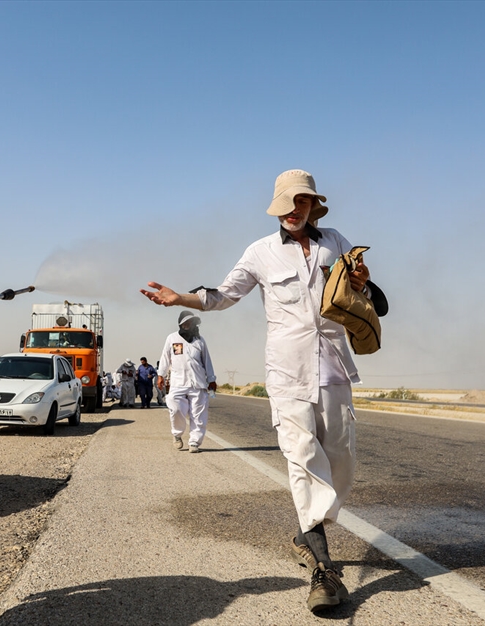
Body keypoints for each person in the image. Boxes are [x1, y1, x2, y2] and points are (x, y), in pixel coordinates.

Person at [141, 169, 388, 613]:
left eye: (303, 203)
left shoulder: (335, 241)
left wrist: (361, 281)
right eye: (288, 204)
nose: (296, 211)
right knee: (302, 461)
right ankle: (323, 569)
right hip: (286, 373)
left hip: (333, 367)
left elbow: (365, 292)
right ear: (278, 208)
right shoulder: (260, 252)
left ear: (313, 206)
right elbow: (222, 294)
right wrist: (181, 298)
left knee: (342, 461)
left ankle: (306, 532)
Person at [157, 311, 217, 452]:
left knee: (198, 415)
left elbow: (207, 361)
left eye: (190, 322)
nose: (187, 325)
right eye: (184, 322)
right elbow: (165, 358)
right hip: (178, 382)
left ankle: (194, 442)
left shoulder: (199, 340)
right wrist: (161, 375)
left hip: (198, 383)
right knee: (176, 409)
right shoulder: (172, 338)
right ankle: (177, 434)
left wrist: (211, 379)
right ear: (180, 323)